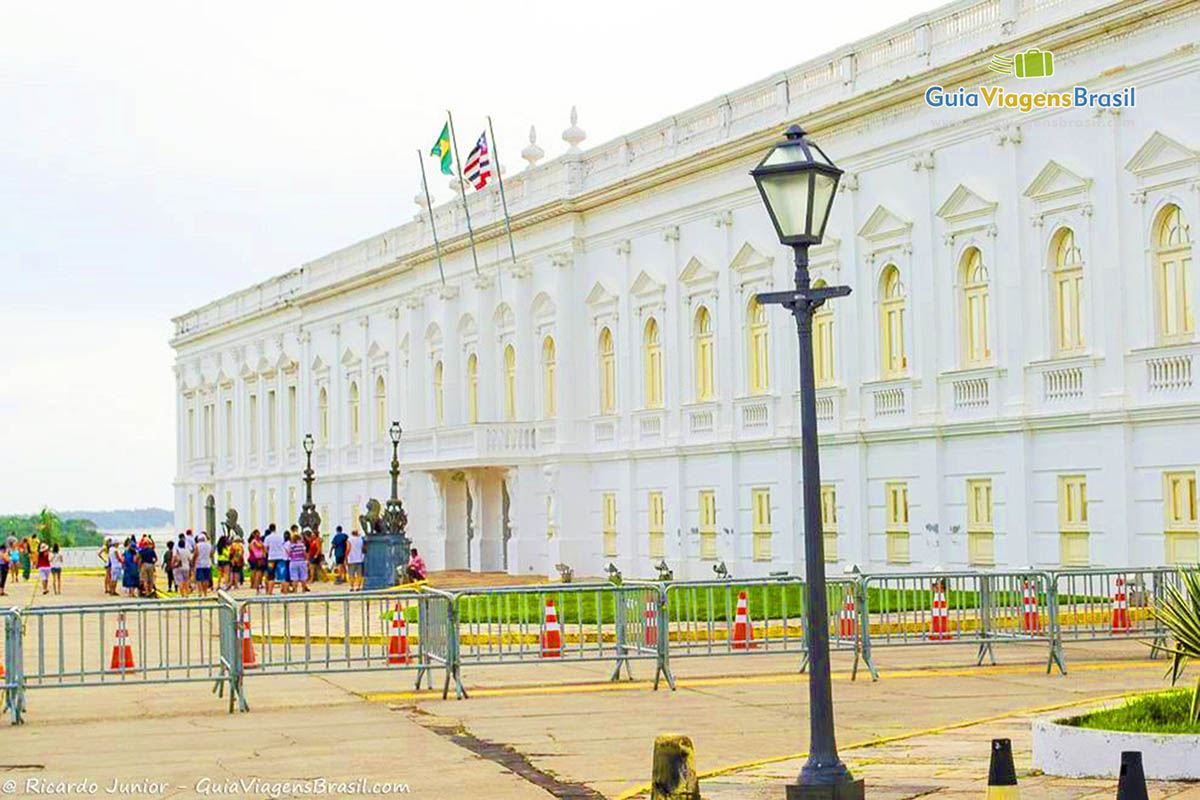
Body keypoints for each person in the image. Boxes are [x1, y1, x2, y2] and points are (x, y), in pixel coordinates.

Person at [263, 525, 288, 595]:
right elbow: (283, 546)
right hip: (281, 557)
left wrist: (268, 553)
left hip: (271, 558)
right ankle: (285, 591)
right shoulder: (280, 537)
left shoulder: (267, 538)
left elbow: (265, 548)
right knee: (283, 576)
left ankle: (270, 592)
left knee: (271, 576)